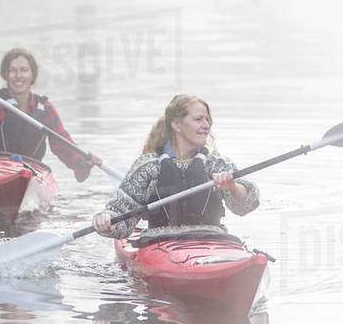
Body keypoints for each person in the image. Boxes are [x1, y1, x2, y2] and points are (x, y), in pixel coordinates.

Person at [92, 94, 258, 238]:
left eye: (208, 120)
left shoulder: (217, 164)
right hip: (159, 242)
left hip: (212, 240)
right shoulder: (148, 166)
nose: (207, 125)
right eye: (198, 119)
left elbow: (245, 206)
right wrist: (107, 220)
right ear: (176, 125)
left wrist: (233, 187)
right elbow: (121, 216)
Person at [0, 47, 101, 181]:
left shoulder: (45, 109)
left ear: (32, 75)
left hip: (29, 171)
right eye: (12, 70)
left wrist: (83, 162)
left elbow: (62, 143)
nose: (18, 76)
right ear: (5, 75)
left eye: (24, 70)